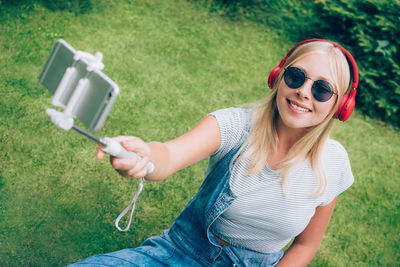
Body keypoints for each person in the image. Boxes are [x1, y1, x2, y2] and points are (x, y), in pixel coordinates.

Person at [70, 39, 358, 266]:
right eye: (296, 77)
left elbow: (306, 245)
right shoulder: (234, 125)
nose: (304, 92)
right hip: (182, 253)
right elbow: (168, 156)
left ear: (340, 106)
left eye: (322, 89)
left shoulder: (333, 164)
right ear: (278, 77)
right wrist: (144, 155)